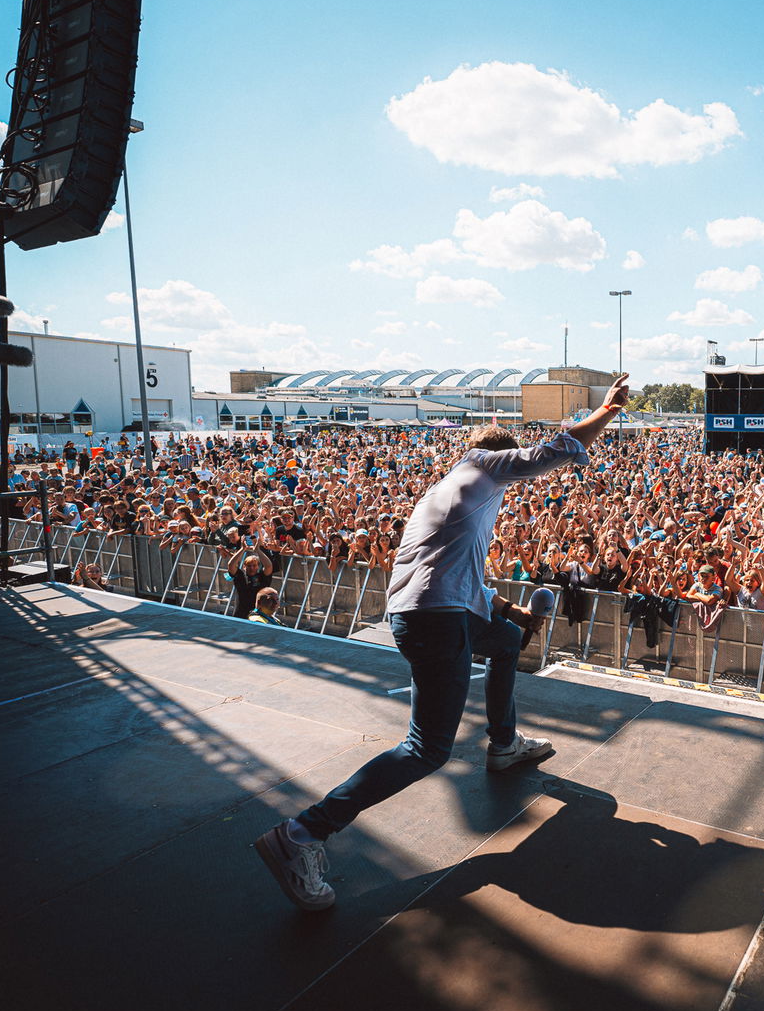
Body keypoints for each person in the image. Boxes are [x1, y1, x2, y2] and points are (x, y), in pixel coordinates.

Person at [254, 373, 631, 910]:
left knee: (503, 641)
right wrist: (609, 410)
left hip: (436, 612)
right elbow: (555, 451)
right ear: (502, 458)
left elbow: (466, 581)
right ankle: (301, 835)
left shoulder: (449, 494)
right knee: (426, 748)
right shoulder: (482, 466)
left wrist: (510, 611)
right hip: (435, 621)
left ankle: (503, 745)